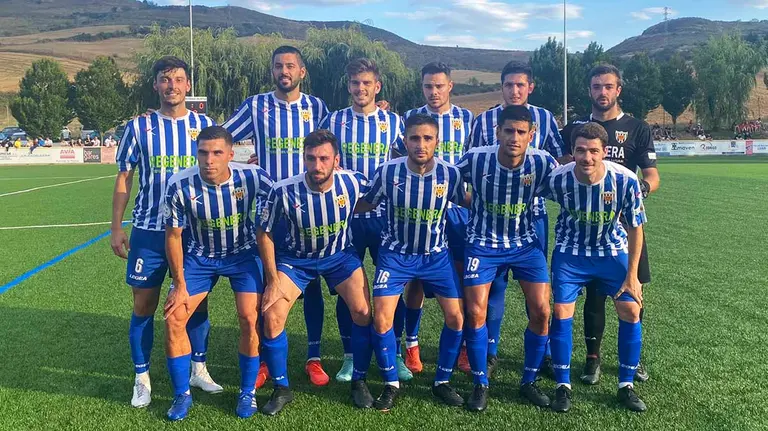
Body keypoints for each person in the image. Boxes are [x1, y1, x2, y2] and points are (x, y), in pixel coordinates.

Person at [111, 56, 221, 409]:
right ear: (156, 85)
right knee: (144, 305)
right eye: (164, 79)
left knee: (194, 304)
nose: (172, 85)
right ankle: (141, 377)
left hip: (193, 232)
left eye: (178, 79)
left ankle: (198, 368)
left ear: (188, 85)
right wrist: (116, 227)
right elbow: (125, 178)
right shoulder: (139, 127)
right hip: (148, 230)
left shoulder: (204, 125)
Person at [223, 46, 331, 388]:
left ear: (302, 71)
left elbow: (330, 147)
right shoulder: (256, 105)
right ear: (272, 71)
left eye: (290, 65)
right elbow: (223, 138)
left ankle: (313, 358)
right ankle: (265, 362)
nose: (283, 71)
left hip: (308, 212)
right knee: (263, 290)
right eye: (277, 66)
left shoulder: (317, 108)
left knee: (310, 287)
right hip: (269, 213)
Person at [256, 130, 374, 416]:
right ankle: (282, 388)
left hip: (340, 257)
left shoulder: (353, 181)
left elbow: (372, 200)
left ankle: (359, 379)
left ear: (336, 160)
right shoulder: (283, 189)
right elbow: (264, 231)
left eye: (324, 159)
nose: (317, 166)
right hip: (297, 260)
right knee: (271, 316)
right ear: (304, 158)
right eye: (311, 158)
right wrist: (272, 280)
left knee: (363, 312)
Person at [463, 60, 569, 376]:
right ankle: (490, 351)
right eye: (509, 85)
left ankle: (544, 351)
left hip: (531, 217)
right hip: (489, 221)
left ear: (530, 87)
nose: (514, 90)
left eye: (520, 85)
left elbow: (559, 160)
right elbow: (468, 170)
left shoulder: (545, 119)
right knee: (493, 287)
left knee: (536, 289)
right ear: (502, 87)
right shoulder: (483, 122)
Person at [356, 114, 467, 410]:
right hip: (395, 255)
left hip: (436, 255)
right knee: (381, 318)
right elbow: (367, 201)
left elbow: (469, 202)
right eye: (415, 138)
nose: (421, 144)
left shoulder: (450, 174)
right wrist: (334, 209)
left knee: (456, 317)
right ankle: (391, 383)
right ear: (405, 141)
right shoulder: (387, 171)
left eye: (427, 138)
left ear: (437, 142)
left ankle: (442, 381)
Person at [162, 126, 273, 421]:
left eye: (217, 153)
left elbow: (272, 217)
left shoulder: (253, 177)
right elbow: (173, 236)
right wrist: (178, 284)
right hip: (200, 257)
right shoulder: (179, 184)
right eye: (203, 152)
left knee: (250, 318)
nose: (209, 160)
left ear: (231, 155)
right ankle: (181, 394)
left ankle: (247, 392)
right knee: (174, 319)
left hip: (243, 255)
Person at [560, 63, 660, 384]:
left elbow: (652, 176)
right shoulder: (574, 128)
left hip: (625, 227)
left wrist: (637, 190)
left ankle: (633, 359)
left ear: (618, 90)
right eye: (596, 87)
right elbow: (562, 166)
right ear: (589, 91)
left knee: (633, 291)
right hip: (587, 231)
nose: (602, 93)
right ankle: (593, 358)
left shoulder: (638, 128)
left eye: (608, 87)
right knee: (593, 296)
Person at [455, 105, 557, 411]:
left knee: (541, 311)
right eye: (508, 131)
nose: (514, 137)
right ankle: (480, 382)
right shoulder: (476, 158)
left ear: (531, 135)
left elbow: (570, 186)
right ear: (498, 131)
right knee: (475, 313)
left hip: (525, 244)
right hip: (482, 243)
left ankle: (528, 380)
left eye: (521, 132)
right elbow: (444, 179)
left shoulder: (542, 161)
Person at [541, 122, 647, 413]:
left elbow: (636, 229)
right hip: (570, 253)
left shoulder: (625, 180)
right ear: (572, 151)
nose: (586, 157)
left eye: (593, 151)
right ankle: (563, 385)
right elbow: (528, 198)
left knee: (630, 309)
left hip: (611, 252)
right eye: (580, 150)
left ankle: (626, 385)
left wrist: (633, 276)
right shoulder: (558, 178)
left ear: (604, 153)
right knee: (562, 311)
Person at [319, 58, 408, 383]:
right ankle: (349, 356)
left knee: (391, 288)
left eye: (366, 83)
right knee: (349, 290)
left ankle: (394, 353)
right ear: (349, 86)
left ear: (377, 86)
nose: (361, 89)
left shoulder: (394, 121)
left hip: (386, 217)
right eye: (355, 83)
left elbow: (405, 159)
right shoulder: (335, 120)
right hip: (348, 216)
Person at [400, 62, 474, 374]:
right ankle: (412, 345)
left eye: (439, 86)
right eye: (428, 86)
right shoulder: (410, 118)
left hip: (457, 214)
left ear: (450, 86)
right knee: (415, 280)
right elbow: (397, 157)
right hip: (418, 216)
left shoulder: (467, 119)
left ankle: (462, 347)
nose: (434, 92)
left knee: (461, 280)